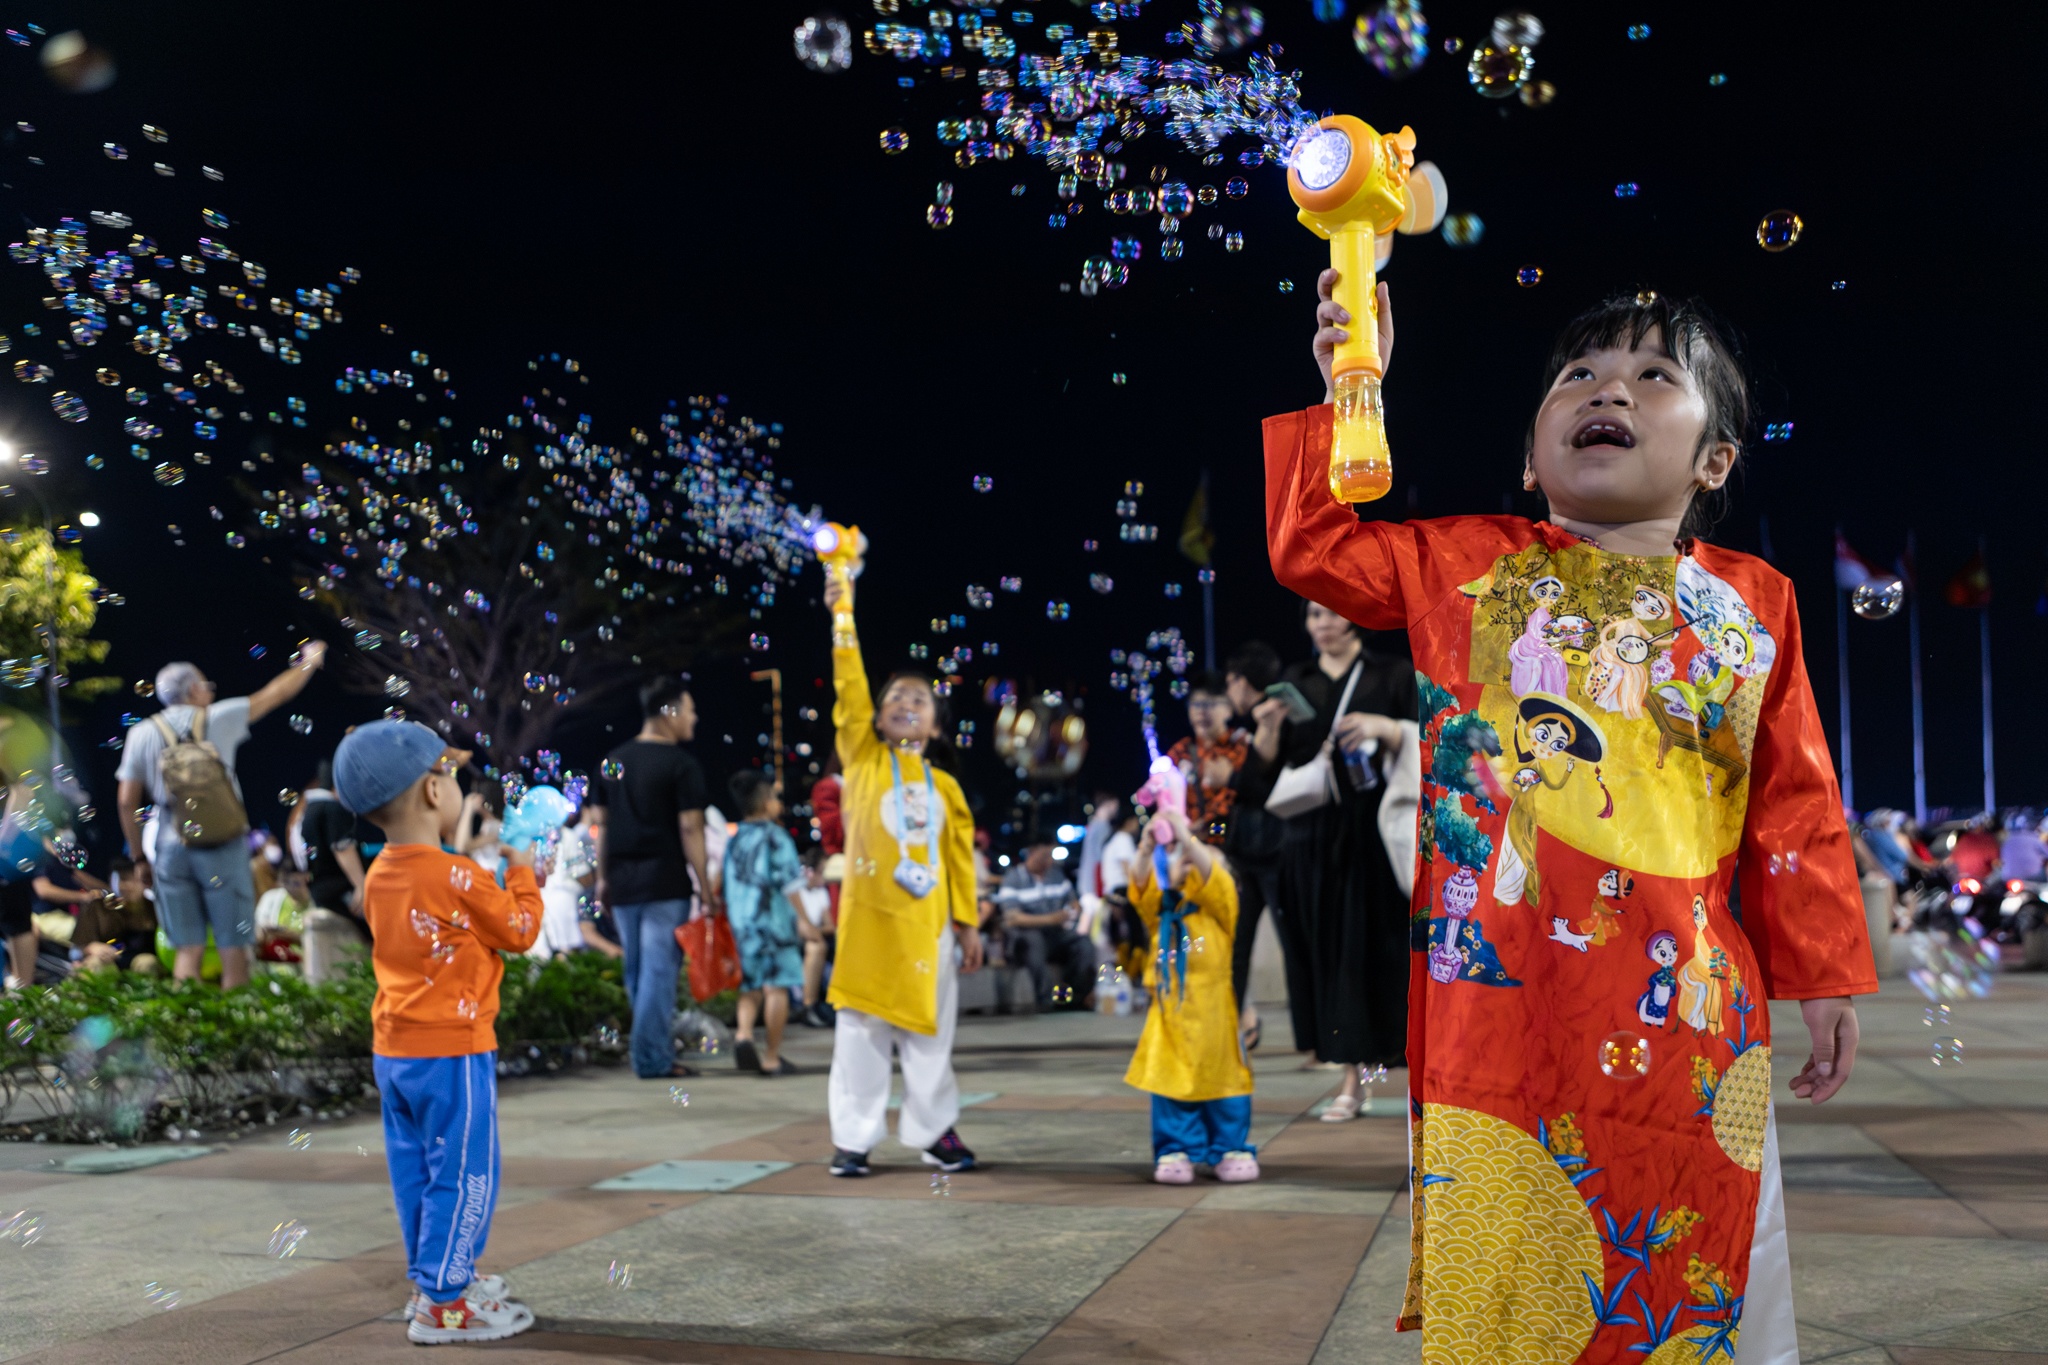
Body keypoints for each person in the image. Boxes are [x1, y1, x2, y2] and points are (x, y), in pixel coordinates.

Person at [1264, 278, 1875, 1358]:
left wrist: (1822, 974)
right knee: (1514, 1266)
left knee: (1686, 1252)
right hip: (1501, 1005)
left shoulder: (1754, 603)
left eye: (1654, 375)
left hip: (1686, 1006)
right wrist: (1351, 389)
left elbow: (1795, 802)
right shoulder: (1465, 566)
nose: (1609, 389)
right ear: (1529, 462)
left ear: (1714, 461)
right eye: (1579, 375)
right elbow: (1310, 547)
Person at [332, 719, 541, 1346]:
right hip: (453, 1048)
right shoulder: (455, 874)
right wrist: (523, 871)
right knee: (467, 1172)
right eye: (449, 775)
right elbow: (520, 931)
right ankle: (446, 1305)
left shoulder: (379, 875)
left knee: (417, 1173)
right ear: (431, 791)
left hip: (396, 1049)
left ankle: (436, 1278)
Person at [821, 557, 983, 1179]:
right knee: (859, 1034)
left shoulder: (946, 787)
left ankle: (935, 1133)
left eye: (920, 699)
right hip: (868, 923)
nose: (906, 702)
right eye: (895, 697)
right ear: (876, 717)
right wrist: (843, 612)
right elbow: (849, 687)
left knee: (930, 1035)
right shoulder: (862, 760)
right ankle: (853, 1140)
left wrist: (967, 923)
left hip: (928, 928)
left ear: (936, 725)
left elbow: (959, 862)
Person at [1237, 600, 1414, 1121]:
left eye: (1331, 612)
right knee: (1329, 959)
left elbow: (1431, 738)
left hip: (1376, 837)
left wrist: (1386, 728)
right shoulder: (1296, 682)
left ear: (1354, 617)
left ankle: (1403, 1079)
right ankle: (1350, 1079)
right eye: (1313, 615)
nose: (1322, 624)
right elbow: (1259, 784)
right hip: (1310, 842)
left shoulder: (1391, 674)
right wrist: (1267, 730)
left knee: (1378, 957)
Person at [114, 645, 328, 987]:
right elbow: (274, 694)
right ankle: (235, 1017)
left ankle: (186, 1018)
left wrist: (139, 857)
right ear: (193, 690)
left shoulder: (141, 733)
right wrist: (309, 663)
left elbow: (126, 802)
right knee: (233, 947)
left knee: (187, 949)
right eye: (206, 686)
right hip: (222, 842)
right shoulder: (218, 717)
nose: (211, 692)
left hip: (170, 846)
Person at [586, 677, 718, 1081]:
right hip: (665, 880)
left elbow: (602, 829)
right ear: (670, 712)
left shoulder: (613, 760)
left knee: (638, 972)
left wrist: (602, 879)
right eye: (690, 710)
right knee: (658, 972)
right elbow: (691, 829)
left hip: (623, 882)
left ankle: (652, 1051)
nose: (695, 718)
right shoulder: (681, 765)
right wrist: (706, 888)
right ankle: (651, 1059)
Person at [1126, 805, 1257, 1184]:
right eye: (1183, 856)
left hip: (1216, 1019)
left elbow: (1216, 879)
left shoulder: (1222, 911)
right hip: (1170, 1021)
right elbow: (1140, 887)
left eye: (1201, 857)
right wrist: (1146, 847)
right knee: (1170, 1085)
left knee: (1224, 1085)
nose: (1191, 859)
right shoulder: (1163, 912)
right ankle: (1176, 1150)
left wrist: (1186, 838)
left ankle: (1228, 1147)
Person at [724, 769, 816, 1077]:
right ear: (765, 802)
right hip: (774, 924)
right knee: (777, 989)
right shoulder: (776, 837)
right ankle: (772, 1057)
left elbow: (722, 880)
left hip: (743, 925)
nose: (779, 803)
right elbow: (791, 884)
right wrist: (804, 920)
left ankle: (744, 1035)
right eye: (775, 797)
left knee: (750, 986)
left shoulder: (735, 838)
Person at [1222, 641, 1287, 1050]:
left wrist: (1229, 778)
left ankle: (1320, 1043)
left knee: (1287, 943)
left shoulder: (1273, 717)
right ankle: (1229, 1029)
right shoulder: (1248, 725)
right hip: (1251, 852)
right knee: (1239, 945)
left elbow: (1262, 785)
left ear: (1242, 681)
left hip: (1272, 849)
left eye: (1230, 682)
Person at [997, 839, 1097, 1009]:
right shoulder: (1013, 878)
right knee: (1033, 941)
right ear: (1031, 853)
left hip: (1056, 934)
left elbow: (1073, 901)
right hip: (1025, 937)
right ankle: (1045, 1000)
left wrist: (1074, 908)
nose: (1049, 861)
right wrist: (1050, 919)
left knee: (1083, 944)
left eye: (1051, 856)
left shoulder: (1056, 875)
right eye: (1045, 856)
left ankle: (1075, 998)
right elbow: (1012, 917)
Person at [291, 763, 368, 920]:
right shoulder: (333, 808)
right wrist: (361, 885)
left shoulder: (307, 811)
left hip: (321, 893)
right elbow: (342, 847)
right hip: (344, 891)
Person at [532, 807, 596, 958]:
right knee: (567, 954)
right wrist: (594, 883)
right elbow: (582, 876)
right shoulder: (568, 836)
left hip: (540, 903)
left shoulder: (531, 839)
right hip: (563, 904)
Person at [795, 849, 835, 1026]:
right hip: (796, 939)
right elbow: (798, 925)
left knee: (818, 946)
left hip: (814, 938)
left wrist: (814, 931)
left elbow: (830, 925)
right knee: (816, 947)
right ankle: (807, 1005)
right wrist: (812, 931)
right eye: (821, 872)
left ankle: (813, 1005)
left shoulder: (821, 893)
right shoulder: (796, 891)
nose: (824, 877)